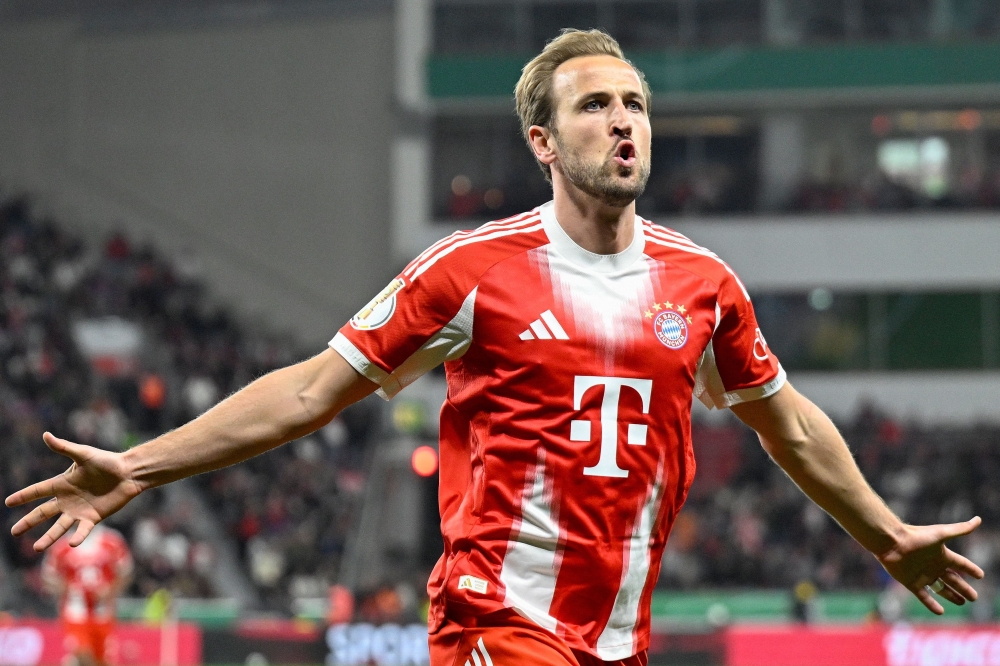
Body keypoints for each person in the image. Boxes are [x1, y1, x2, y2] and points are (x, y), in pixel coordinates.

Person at [5, 28, 984, 666]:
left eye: (634, 105)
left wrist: (883, 533)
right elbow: (311, 391)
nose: (623, 123)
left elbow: (791, 427)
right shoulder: (471, 271)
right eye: (594, 106)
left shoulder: (703, 286)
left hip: (615, 639)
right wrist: (140, 464)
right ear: (542, 142)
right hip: (497, 625)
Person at [41, 524, 134, 666]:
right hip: (75, 612)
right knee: (83, 656)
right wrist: (67, 589)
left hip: (103, 613)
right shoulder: (62, 544)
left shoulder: (111, 540)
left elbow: (125, 572)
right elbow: (48, 577)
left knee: (102, 660)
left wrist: (110, 592)